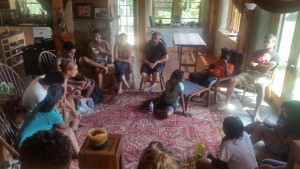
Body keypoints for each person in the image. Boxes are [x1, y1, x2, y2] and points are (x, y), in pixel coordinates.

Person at [225, 34, 280, 121]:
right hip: (249, 73)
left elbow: (267, 68)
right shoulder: (258, 52)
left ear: (274, 43)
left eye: (268, 42)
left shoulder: (276, 55)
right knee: (233, 80)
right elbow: (249, 64)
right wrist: (258, 66)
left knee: (261, 86)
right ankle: (226, 104)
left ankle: (256, 112)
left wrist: (256, 64)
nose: (266, 43)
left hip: (263, 76)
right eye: (265, 41)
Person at [17, 84, 80, 156]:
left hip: (23, 140)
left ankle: (77, 153)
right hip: (26, 146)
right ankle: (78, 155)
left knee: (64, 130)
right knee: (67, 132)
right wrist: (64, 108)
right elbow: (65, 126)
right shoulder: (52, 113)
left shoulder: (44, 103)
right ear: (61, 98)